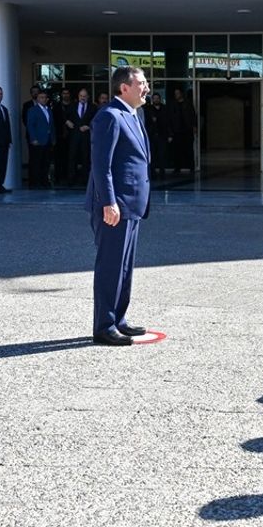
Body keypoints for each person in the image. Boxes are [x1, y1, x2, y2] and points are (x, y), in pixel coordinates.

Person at [85, 66, 151, 346]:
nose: (146, 87)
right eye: (141, 83)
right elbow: (102, 165)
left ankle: (118, 319)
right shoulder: (109, 116)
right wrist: (109, 202)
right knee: (111, 266)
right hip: (115, 206)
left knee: (124, 267)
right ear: (124, 87)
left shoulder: (133, 114)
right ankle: (103, 325)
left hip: (132, 205)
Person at [25, 90, 54, 187]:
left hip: (47, 140)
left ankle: (44, 181)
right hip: (37, 140)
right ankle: (34, 183)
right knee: (35, 162)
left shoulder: (49, 109)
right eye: (41, 97)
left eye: (45, 97)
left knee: (46, 162)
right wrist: (33, 138)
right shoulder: (32, 110)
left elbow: (51, 125)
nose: (43, 99)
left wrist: (53, 139)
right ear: (37, 99)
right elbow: (30, 125)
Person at [67, 88, 95, 184]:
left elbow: (96, 120)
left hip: (86, 136)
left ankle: (85, 180)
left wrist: (89, 126)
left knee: (86, 158)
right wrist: (67, 121)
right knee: (72, 157)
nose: (82, 98)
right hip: (74, 136)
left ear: (88, 97)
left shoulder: (93, 107)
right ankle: (71, 179)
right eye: (81, 96)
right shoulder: (72, 106)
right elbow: (64, 117)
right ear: (78, 96)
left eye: (84, 96)